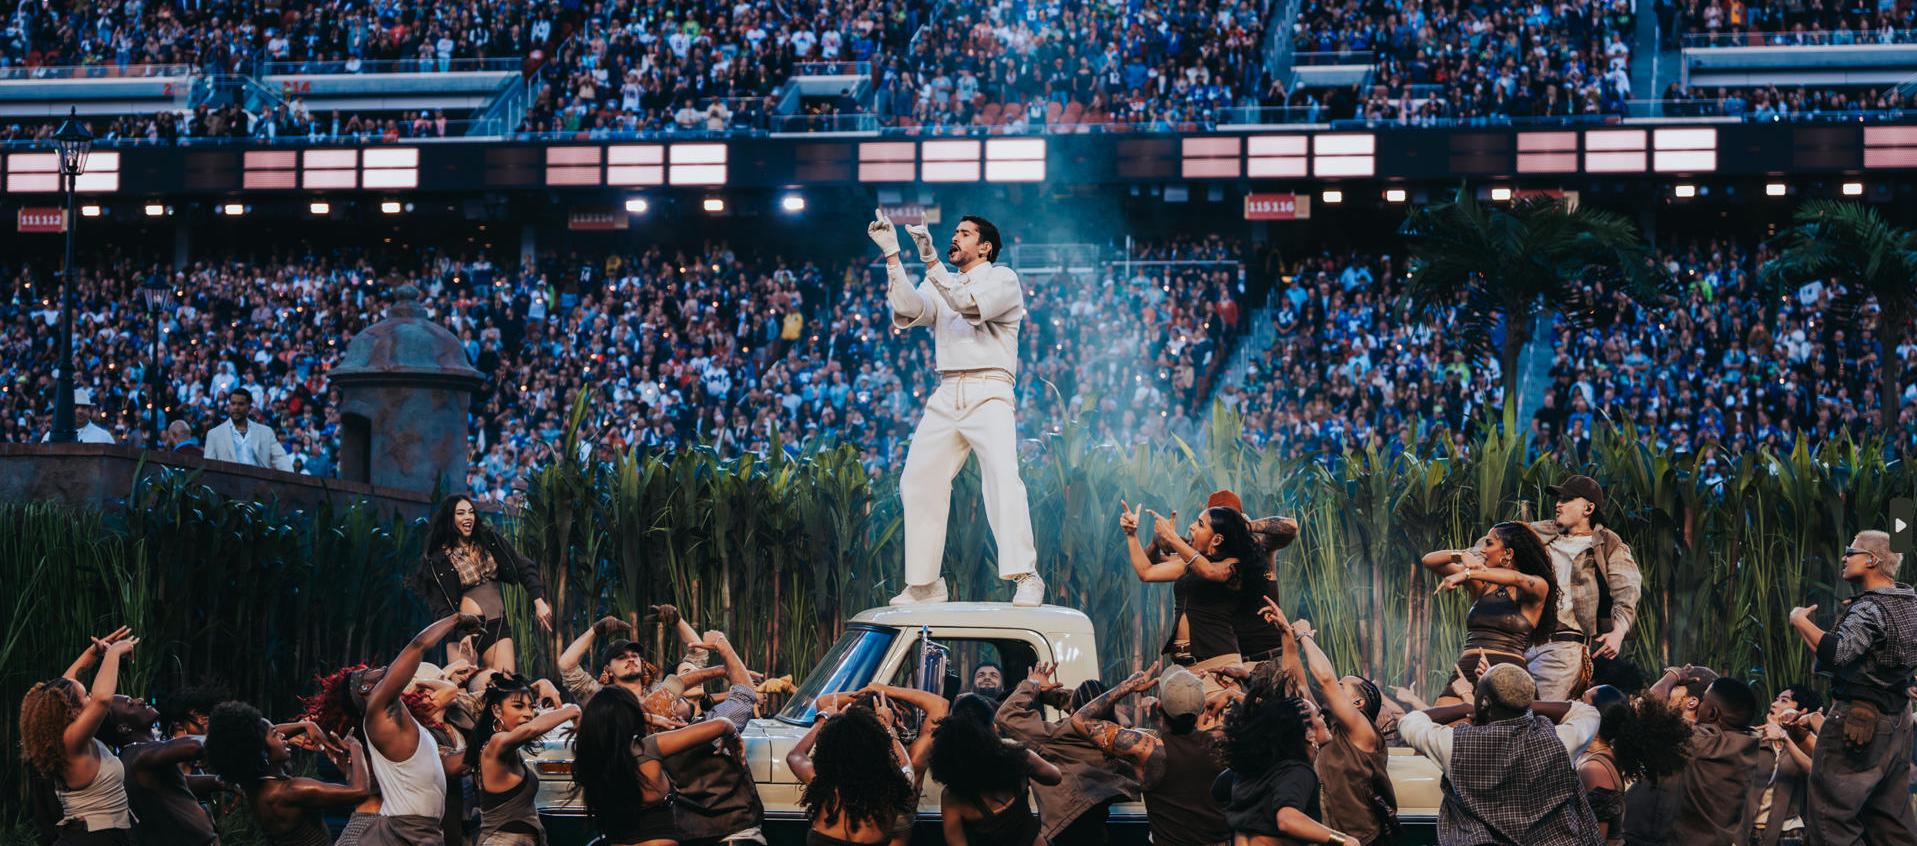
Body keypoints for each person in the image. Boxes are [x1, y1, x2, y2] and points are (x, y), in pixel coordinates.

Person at [870, 209, 1044, 607]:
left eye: (965, 234)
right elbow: (911, 309)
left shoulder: (1003, 279)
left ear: (985, 247)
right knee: (918, 479)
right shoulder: (941, 281)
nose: (955, 237)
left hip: (990, 388)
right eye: (955, 232)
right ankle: (925, 584)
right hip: (947, 389)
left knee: (1001, 477)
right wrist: (893, 256)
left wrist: (932, 262)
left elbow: (966, 304)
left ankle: (1026, 574)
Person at [1426, 475, 1642, 700]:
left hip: (1561, 643)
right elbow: (1491, 548)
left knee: (1540, 710)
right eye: (1558, 499)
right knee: (1496, 706)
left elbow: (1627, 591)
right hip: (1518, 640)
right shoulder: (1539, 532)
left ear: (1588, 508)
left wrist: (1618, 632)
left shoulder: (1608, 544)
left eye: (1567, 499)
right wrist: (1465, 559)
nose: (1558, 504)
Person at [1789, 529, 1917, 845]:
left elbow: (1838, 653)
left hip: (1861, 715)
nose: (1845, 558)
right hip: (1897, 716)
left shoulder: (1870, 607)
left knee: (1830, 818)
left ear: (1871, 560)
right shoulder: (1910, 601)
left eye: (1851, 551)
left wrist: (1799, 620)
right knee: (1889, 819)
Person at [1397, 663, 1604, 845]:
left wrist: (1465, 707)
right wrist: (1522, 701)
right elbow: (1588, 712)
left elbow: (1410, 721)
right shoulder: (1560, 742)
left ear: (1484, 702)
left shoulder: (1454, 745)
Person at [342, 613, 473, 845]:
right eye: (371, 672)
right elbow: (417, 646)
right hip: (407, 830)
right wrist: (457, 619)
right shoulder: (377, 710)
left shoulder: (404, 720)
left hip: (421, 829)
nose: (383, 668)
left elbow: (448, 763)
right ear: (364, 689)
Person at [1069, 665, 1231, 846]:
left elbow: (1080, 719)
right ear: (1201, 709)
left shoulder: (1148, 750)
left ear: (1159, 706)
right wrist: (1232, 694)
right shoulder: (1223, 742)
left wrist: (1128, 685)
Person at [574, 679, 739, 846]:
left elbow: (594, 725)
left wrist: (643, 717)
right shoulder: (648, 748)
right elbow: (722, 724)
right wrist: (733, 736)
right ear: (632, 714)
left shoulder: (590, 761)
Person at [995, 662, 1141, 846]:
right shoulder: (1116, 728)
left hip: (1068, 821)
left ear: (1073, 711)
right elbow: (1090, 709)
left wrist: (1033, 684)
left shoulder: (1059, 734)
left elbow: (1007, 715)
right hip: (1096, 815)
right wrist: (1051, 695)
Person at [18, 628, 140, 845]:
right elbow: (102, 699)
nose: (91, 697)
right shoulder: (70, 742)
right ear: (72, 711)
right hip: (93, 839)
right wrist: (114, 652)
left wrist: (94, 652)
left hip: (101, 836)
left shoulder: (65, 736)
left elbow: (64, 687)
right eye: (86, 696)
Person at [787, 683, 948, 845]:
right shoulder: (901, 776)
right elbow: (939, 705)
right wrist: (882, 692)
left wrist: (825, 719)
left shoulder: (829, 780)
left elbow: (824, 703)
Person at [410, 495, 553, 672]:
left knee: (506, 682)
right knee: (463, 685)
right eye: (461, 513)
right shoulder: (438, 559)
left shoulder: (489, 540)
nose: (467, 517)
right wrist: (461, 633)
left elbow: (522, 565)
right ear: (449, 519)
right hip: (463, 630)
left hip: (496, 624)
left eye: (471, 512)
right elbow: (441, 607)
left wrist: (538, 600)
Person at [1288, 612, 1396, 845]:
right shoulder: (1327, 725)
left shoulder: (1363, 731)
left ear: (1358, 703)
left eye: (1341, 686)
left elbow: (1325, 679)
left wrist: (1304, 635)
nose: (1334, 689)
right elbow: (1297, 686)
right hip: (1327, 837)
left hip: (1360, 840)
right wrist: (1286, 635)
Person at [1423, 522, 1561, 701]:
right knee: (1440, 717)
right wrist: (1461, 554)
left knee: (1501, 718)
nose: (1482, 550)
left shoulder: (1537, 585)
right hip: (1468, 668)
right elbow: (1428, 560)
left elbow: (1517, 578)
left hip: (1508, 673)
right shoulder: (1483, 586)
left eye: (1488, 544)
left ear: (1508, 553)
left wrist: (1467, 574)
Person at [653, 630, 767, 846]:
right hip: (736, 832)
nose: (697, 676)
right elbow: (745, 695)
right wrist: (722, 648)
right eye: (687, 674)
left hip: (691, 834)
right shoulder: (716, 723)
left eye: (699, 673)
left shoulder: (657, 737)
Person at [1213, 672, 1355, 845]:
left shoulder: (1257, 768)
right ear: (1309, 733)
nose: (1323, 718)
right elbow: (1287, 819)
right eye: (1318, 715)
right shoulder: (1299, 771)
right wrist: (1344, 840)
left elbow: (1218, 790)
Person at [203, 703, 372, 846]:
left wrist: (306, 726)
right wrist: (356, 747)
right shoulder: (291, 790)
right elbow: (360, 791)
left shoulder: (251, 783)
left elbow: (258, 734)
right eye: (276, 734)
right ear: (261, 751)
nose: (283, 735)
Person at [1123, 502, 1259, 672]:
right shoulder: (1190, 564)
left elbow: (1209, 571)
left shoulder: (1233, 565)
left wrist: (1171, 537)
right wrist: (1133, 535)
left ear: (1217, 539)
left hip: (1218, 664)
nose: (1191, 527)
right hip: (1183, 667)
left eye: (1200, 524)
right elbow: (1146, 572)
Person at [929, 693, 1063, 846]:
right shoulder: (1019, 758)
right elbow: (1055, 777)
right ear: (993, 728)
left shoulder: (952, 797)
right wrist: (1005, 745)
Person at [1646, 670, 1760, 843]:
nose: (1699, 705)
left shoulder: (1704, 743)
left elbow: (1650, 708)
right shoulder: (1747, 742)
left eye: (1704, 700)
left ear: (1713, 713)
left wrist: (1673, 675)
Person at [467, 673, 581, 846]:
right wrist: (572, 709)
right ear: (497, 710)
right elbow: (532, 729)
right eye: (518, 706)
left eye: (531, 707)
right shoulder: (495, 743)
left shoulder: (512, 750)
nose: (528, 713)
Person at [95, 692, 219, 845]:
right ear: (124, 728)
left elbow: (176, 783)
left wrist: (218, 781)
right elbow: (194, 746)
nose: (140, 700)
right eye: (130, 704)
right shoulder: (140, 756)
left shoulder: (134, 756)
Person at [1576, 686, 1690, 846]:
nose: (1574, 702)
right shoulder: (1599, 757)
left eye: (1582, 700)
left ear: (1594, 717)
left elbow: (1595, 840)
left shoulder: (1595, 769)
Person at [1746, 685, 1819, 846]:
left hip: (1789, 833)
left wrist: (1785, 737)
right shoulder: (1756, 739)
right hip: (1749, 831)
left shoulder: (1806, 744)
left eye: (1784, 701)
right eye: (1776, 699)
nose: (1774, 704)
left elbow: (1815, 772)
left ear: (1802, 712)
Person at [203, 388, 294, 470]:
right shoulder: (214, 434)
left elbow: (281, 459)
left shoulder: (266, 432)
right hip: (228, 482)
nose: (236, 408)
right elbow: (209, 467)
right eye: (233, 403)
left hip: (259, 481)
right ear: (228, 406)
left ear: (249, 407)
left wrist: (291, 480)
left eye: (241, 404)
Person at [41, 388, 116, 444]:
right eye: (75, 407)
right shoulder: (51, 436)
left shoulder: (103, 437)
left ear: (90, 411)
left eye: (84, 407)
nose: (79, 411)